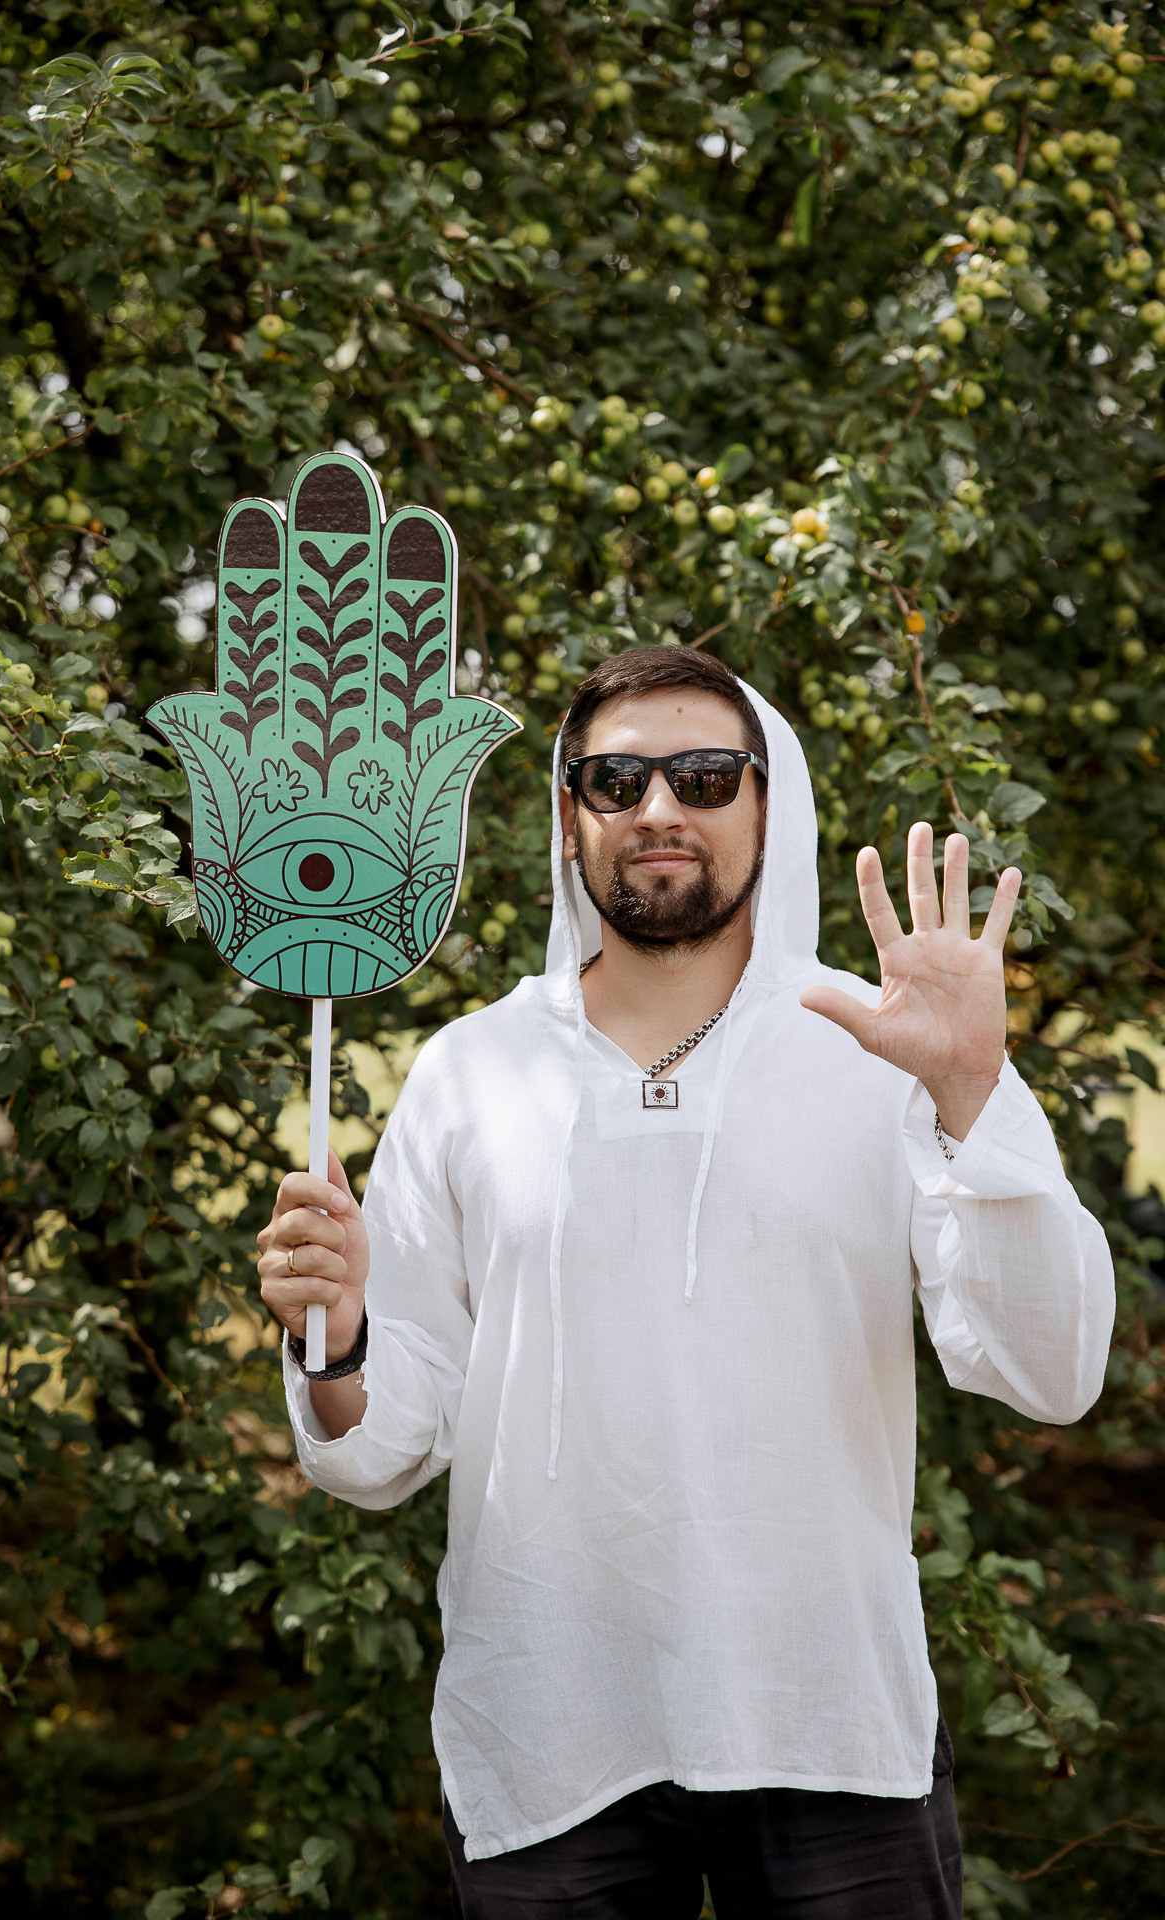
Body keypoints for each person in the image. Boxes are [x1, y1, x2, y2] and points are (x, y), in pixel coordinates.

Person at [257, 646, 1114, 1919]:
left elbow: (1050, 1371)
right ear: (568, 817)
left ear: (768, 805)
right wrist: (332, 1343)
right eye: (616, 780)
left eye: (707, 776)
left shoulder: (888, 1048)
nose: (660, 809)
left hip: (827, 1717)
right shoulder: (466, 1071)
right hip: (550, 1726)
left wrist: (968, 1096)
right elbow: (381, 1449)